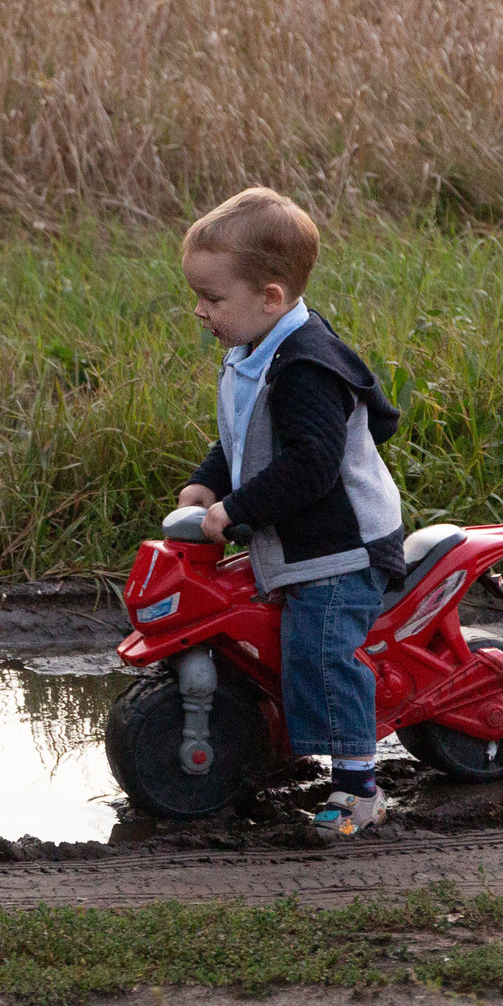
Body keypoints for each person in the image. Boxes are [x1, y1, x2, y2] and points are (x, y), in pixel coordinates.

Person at [175, 186, 405, 836]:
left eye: (212, 298)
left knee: (319, 650)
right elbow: (244, 436)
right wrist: (207, 482)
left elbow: (311, 464)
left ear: (270, 297)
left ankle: (359, 792)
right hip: (302, 539)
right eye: (197, 295)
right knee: (272, 638)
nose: (200, 310)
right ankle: (279, 740)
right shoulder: (254, 348)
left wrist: (238, 508)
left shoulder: (306, 366)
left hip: (342, 547)